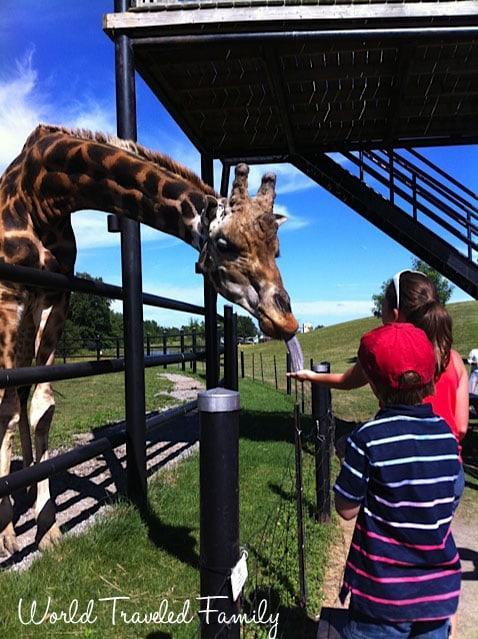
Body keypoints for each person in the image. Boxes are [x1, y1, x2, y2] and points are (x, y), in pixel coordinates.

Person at [335, 322, 461, 639]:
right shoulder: (446, 436)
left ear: (374, 386)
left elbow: (346, 509)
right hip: (436, 597)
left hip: (382, 598)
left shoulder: (367, 439)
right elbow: (452, 495)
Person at [289, 270, 469, 447]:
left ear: (395, 315)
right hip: (450, 463)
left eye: (383, 303)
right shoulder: (454, 359)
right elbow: (460, 427)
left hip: (398, 457)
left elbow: (348, 380)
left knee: (347, 447)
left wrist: (309, 376)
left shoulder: (385, 355)